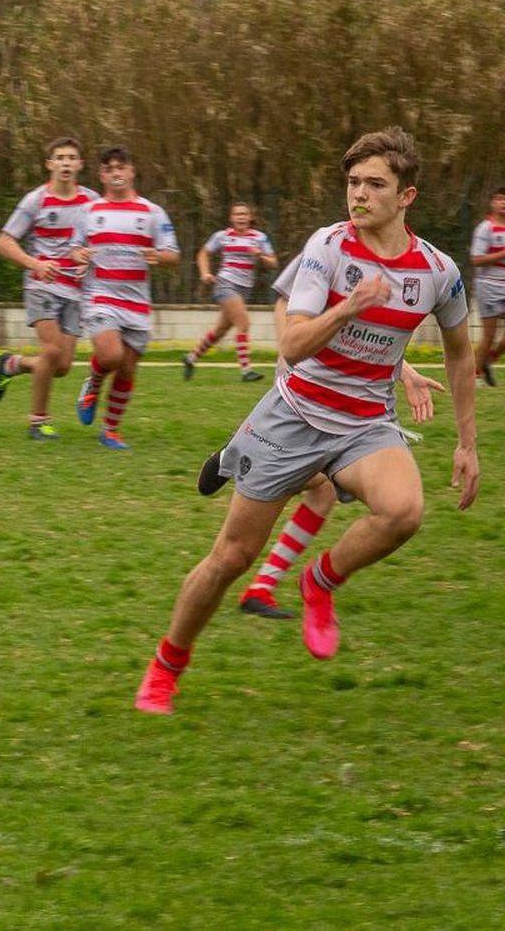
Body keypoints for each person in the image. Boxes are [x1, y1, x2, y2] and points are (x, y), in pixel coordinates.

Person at [136, 127, 479, 715]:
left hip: (366, 424)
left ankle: (319, 580)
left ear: (407, 197)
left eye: (375, 184)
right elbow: (292, 345)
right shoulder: (328, 247)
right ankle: (166, 666)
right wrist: (349, 307)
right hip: (294, 415)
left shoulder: (437, 272)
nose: (360, 194)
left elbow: (460, 353)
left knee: (404, 511)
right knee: (231, 558)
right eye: (353, 182)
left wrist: (467, 444)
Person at [201, 253, 446, 619]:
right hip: (304, 380)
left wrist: (406, 373)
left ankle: (262, 583)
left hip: (338, 398)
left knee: (322, 488)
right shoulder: (328, 247)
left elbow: (365, 339)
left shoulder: (391, 261)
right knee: (315, 484)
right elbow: (284, 300)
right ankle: (241, 459)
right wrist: (291, 354)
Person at [0, 137, 100, 439]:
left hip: (75, 291)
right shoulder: (35, 200)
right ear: (50, 164)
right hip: (42, 286)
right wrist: (34, 263)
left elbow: (99, 240)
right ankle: (38, 422)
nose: (66, 163)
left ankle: (12, 364)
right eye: (60, 157)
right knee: (51, 350)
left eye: (71, 157)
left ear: (80, 164)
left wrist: (88, 259)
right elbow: (4, 242)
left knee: (61, 366)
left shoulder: (92, 201)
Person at [71, 146, 181, 450]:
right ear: (101, 175)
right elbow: (75, 247)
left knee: (127, 368)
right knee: (110, 356)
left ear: (131, 171)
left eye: (121, 167)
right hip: (101, 295)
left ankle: (110, 431)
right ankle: (93, 383)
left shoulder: (152, 212)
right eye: (109, 168)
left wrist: (158, 256)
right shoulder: (89, 211)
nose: (115, 173)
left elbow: (173, 254)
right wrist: (79, 255)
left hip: (136, 302)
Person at [182, 203, 277, 382]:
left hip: (245, 288)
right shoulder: (222, 236)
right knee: (243, 323)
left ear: (250, 217)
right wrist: (205, 273)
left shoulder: (260, 238)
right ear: (231, 218)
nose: (240, 217)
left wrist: (259, 255)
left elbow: (273, 263)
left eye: (244, 214)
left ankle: (190, 358)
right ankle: (246, 370)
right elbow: (203, 254)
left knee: (220, 330)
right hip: (225, 284)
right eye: (237, 214)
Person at [468, 186, 505, 385]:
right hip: (488, 286)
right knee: (489, 335)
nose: (503, 203)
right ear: (492, 203)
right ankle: (475, 375)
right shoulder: (486, 228)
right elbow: (476, 259)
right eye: (499, 199)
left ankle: (488, 360)